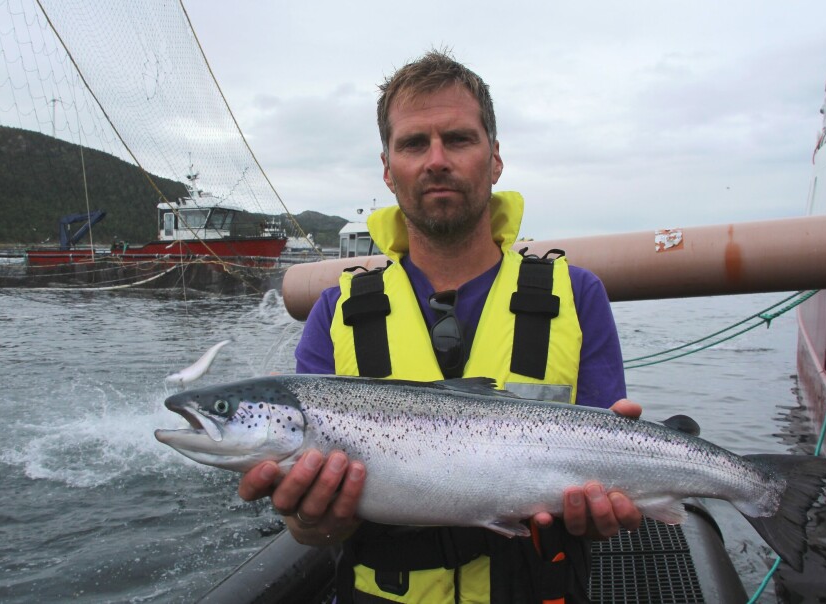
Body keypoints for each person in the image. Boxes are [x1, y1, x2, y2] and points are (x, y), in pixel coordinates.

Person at [239, 49, 643, 603]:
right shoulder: (335, 313)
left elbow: (601, 491)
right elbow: (319, 533)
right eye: (412, 143)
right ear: (387, 168)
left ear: (494, 159)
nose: (435, 160)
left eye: (457, 139)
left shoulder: (576, 295)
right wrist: (309, 520)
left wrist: (602, 511)